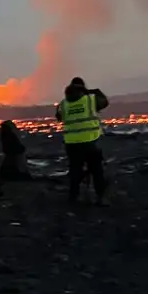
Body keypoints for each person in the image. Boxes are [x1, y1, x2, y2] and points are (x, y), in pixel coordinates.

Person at [55, 76, 109, 205]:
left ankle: (74, 197)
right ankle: (100, 198)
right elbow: (105, 102)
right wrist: (96, 92)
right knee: (97, 171)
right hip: (90, 142)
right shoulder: (90, 100)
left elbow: (58, 117)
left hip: (72, 144)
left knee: (75, 171)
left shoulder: (63, 104)